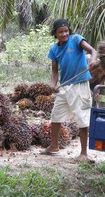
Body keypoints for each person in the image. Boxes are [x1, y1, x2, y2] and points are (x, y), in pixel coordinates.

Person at [42, 19, 98, 163]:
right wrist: (53, 84)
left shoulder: (76, 39)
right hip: (65, 87)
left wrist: (92, 59)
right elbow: (55, 71)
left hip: (79, 85)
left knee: (82, 117)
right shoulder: (54, 50)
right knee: (55, 116)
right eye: (60, 32)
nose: (64, 34)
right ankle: (54, 146)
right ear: (55, 33)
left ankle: (84, 153)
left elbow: (92, 50)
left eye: (66, 31)